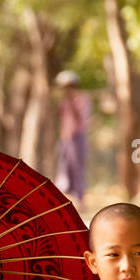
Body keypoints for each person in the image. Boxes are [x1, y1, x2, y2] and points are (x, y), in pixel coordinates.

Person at [54, 70, 92, 206]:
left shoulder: (82, 99)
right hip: (65, 140)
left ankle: (80, 199)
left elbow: (81, 119)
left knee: (77, 169)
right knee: (64, 169)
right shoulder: (64, 102)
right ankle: (65, 199)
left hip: (77, 138)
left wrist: (72, 103)